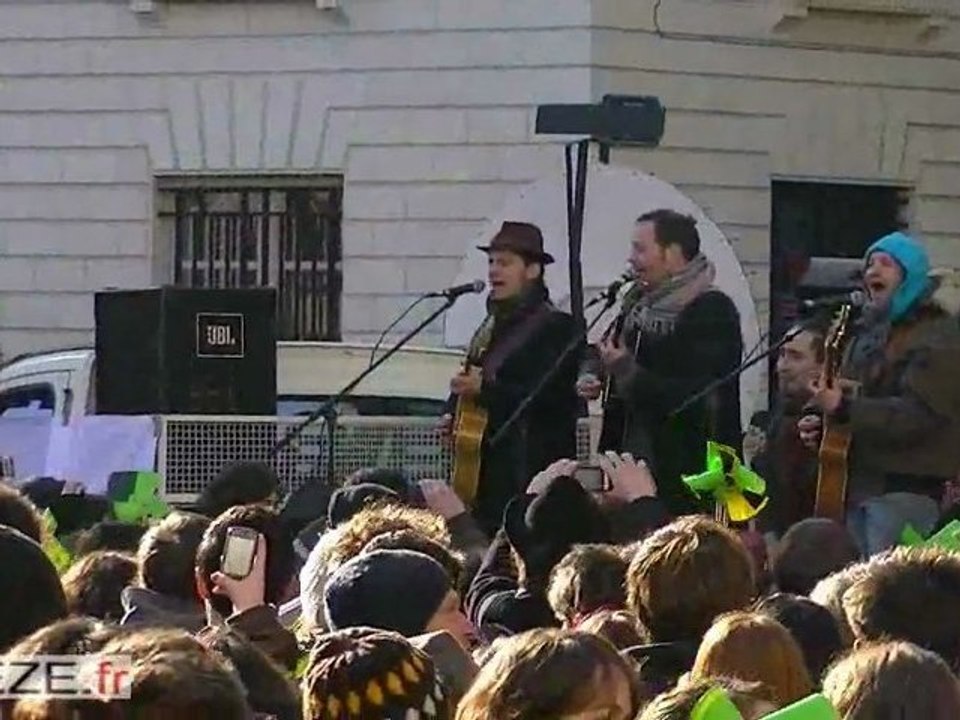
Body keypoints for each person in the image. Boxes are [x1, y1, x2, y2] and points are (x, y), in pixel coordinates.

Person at [800, 232, 960, 554]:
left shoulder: (939, 337)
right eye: (869, 264)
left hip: (904, 491)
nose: (873, 270)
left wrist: (844, 408)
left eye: (885, 264)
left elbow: (918, 416)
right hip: (858, 486)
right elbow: (853, 394)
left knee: (886, 581)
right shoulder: (866, 335)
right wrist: (822, 424)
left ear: (911, 277)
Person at [579, 209, 743, 515]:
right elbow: (603, 347)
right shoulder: (636, 304)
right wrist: (593, 371)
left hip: (686, 474)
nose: (631, 259)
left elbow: (696, 397)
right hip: (630, 465)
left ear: (672, 254)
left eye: (640, 249)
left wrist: (627, 371)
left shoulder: (711, 311)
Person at [440, 221, 580, 534]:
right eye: (491, 262)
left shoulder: (556, 327)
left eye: (504, 263)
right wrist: (452, 413)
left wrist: (485, 390)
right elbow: (471, 376)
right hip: (485, 474)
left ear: (532, 270)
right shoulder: (490, 325)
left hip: (527, 471)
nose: (493, 271)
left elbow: (551, 399)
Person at [751, 315, 830, 535]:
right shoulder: (779, 418)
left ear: (824, 366)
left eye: (796, 357)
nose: (782, 367)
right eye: (782, 355)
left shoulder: (828, 428)